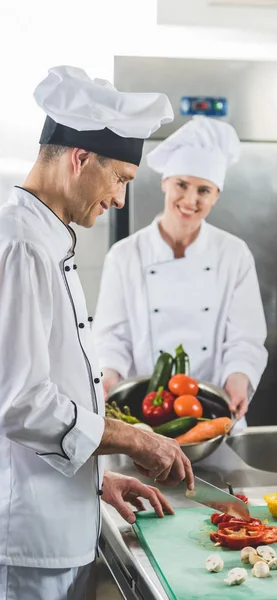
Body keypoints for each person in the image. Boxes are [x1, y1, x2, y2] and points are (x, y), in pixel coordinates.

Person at [0, 66, 194, 600]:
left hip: (56, 522)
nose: (120, 201)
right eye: (121, 180)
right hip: (28, 542)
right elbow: (21, 404)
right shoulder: (21, 247)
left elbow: (51, 387)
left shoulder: (45, 238)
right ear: (79, 158)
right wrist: (135, 436)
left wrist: (95, 480)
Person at [94, 116, 268, 425]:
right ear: (165, 182)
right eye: (182, 184)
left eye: (204, 190)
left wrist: (239, 377)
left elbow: (246, 337)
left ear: (216, 195)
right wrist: (107, 376)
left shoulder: (233, 254)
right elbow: (112, 338)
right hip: (144, 416)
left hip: (213, 414)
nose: (190, 200)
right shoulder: (125, 255)